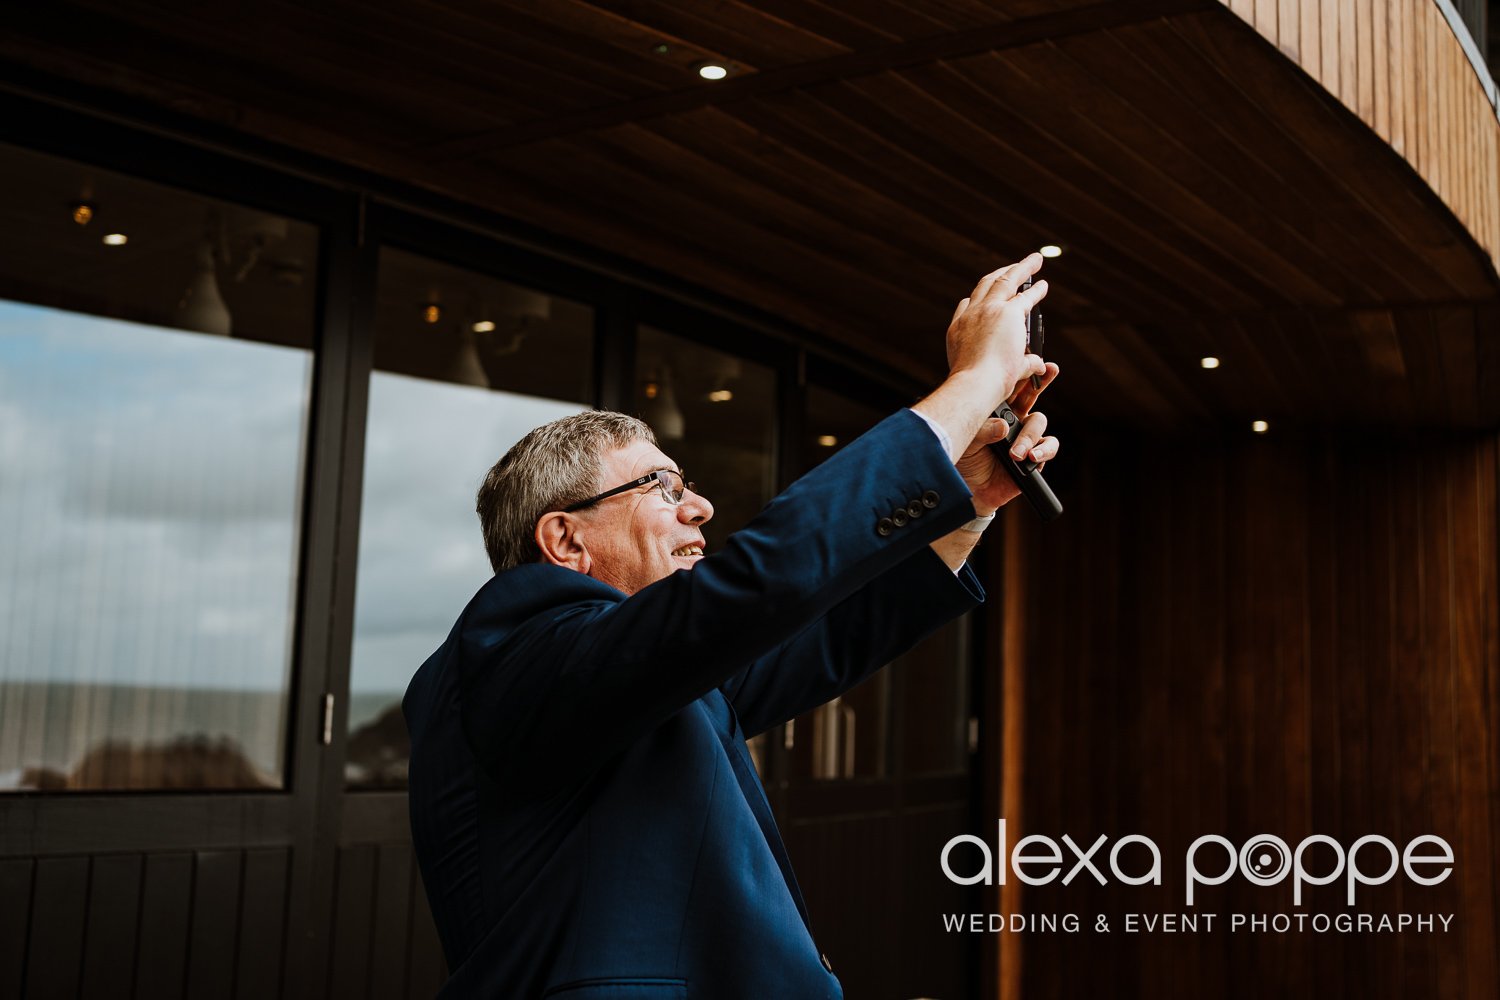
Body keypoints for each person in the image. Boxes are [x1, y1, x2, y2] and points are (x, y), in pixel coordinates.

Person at [404, 254, 1060, 998]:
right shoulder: (515, 648)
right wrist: (971, 385)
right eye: (664, 487)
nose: (701, 507)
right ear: (565, 541)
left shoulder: (639, 679)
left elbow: (824, 639)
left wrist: (966, 506)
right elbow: (758, 583)